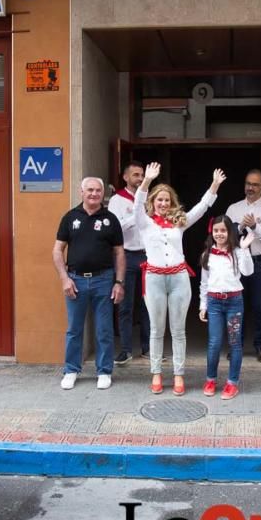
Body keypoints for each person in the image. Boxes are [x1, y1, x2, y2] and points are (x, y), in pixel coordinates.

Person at [135, 162, 225, 395]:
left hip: (178, 279)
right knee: (156, 330)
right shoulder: (144, 222)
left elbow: (201, 208)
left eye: (167, 200)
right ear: (153, 202)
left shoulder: (179, 222)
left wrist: (214, 186)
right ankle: (156, 373)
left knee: (178, 330)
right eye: (159, 200)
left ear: (171, 203)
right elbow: (137, 203)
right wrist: (147, 181)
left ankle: (178, 375)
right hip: (154, 278)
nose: (163, 204)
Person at [52, 177, 125, 391]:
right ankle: (71, 370)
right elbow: (57, 250)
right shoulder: (70, 217)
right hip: (75, 280)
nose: (94, 194)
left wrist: (119, 282)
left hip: (104, 280)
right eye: (90, 190)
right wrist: (64, 278)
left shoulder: (111, 219)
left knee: (104, 329)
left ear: (103, 194)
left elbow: (119, 253)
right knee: (74, 329)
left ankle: (104, 371)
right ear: (81, 192)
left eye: (98, 191)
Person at [226, 169, 261, 362]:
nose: (250, 187)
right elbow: (225, 236)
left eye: (255, 184)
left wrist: (255, 226)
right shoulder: (233, 208)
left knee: (259, 306)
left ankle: (260, 346)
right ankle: (235, 346)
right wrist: (240, 227)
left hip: (259, 263)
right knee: (235, 307)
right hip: (237, 263)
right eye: (248, 183)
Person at [199, 215, 254, 400]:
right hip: (214, 302)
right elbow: (204, 283)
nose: (219, 234)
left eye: (223, 230)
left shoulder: (237, 252)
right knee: (214, 343)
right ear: (211, 232)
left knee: (234, 342)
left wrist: (244, 249)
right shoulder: (207, 254)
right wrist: (203, 305)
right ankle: (210, 379)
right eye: (216, 230)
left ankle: (232, 383)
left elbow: (248, 271)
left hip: (234, 301)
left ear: (230, 232)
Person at [107, 161, 151, 365]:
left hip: (147, 255)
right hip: (125, 256)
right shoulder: (117, 199)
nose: (140, 178)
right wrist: (137, 216)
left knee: (148, 304)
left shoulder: (149, 198)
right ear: (125, 177)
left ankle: (148, 348)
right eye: (135, 174)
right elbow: (116, 228)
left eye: (142, 174)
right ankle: (125, 350)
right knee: (124, 305)